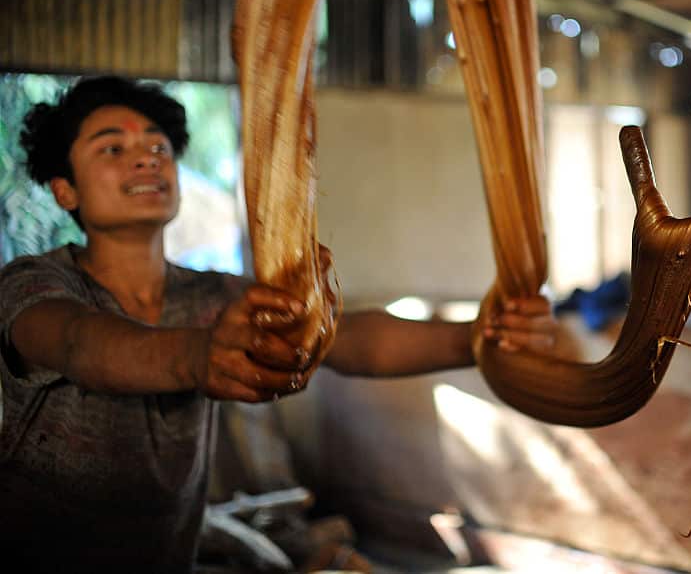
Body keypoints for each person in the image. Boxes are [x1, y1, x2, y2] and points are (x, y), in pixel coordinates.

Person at [0, 75, 557, 572]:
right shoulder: (34, 284)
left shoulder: (210, 294)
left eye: (157, 145)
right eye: (113, 148)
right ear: (64, 189)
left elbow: (347, 341)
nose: (146, 158)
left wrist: (478, 338)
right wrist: (198, 358)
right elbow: (78, 343)